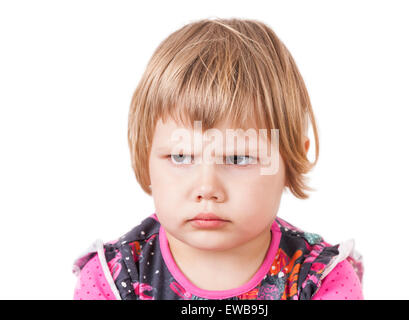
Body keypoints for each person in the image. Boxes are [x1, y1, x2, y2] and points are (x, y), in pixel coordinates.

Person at [72, 18, 363, 300]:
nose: (207, 187)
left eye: (238, 158)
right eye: (181, 156)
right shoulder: (113, 279)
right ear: (145, 156)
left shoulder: (322, 279)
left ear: (291, 160)